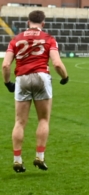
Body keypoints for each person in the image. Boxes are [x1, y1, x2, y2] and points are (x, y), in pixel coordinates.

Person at [2, 10, 69, 173]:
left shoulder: (16, 39)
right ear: (43, 23)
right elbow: (57, 63)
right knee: (43, 120)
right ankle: (39, 157)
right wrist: (64, 77)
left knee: (19, 122)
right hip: (41, 77)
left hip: (22, 78)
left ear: (28, 22)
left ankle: (17, 159)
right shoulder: (49, 38)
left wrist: (7, 83)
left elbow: (5, 65)